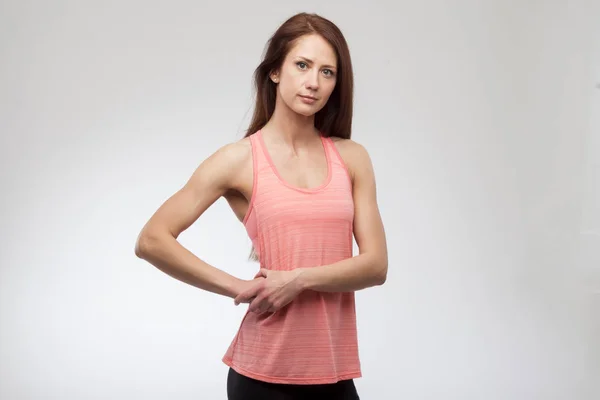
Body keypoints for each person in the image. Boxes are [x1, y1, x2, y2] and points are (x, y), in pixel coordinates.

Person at [135, 12, 388, 400]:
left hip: (336, 376)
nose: (313, 82)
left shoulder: (352, 158)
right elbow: (152, 240)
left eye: (327, 72)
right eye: (302, 65)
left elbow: (375, 266)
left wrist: (298, 280)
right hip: (261, 377)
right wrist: (237, 287)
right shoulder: (238, 160)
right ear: (274, 72)